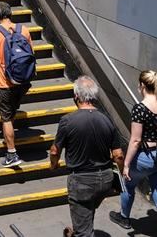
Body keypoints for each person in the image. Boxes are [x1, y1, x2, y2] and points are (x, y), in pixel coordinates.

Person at [50, 76, 124, 237]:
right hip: (105, 180)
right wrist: (122, 172)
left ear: (76, 96)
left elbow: (55, 151)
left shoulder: (67, 121)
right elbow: (118, 154)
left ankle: (80, 231)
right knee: (87, 211)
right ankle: (79, 229)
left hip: (82, 182)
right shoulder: (107, 119)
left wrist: (53, 164)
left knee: (84, 230)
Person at [110, 70, 157, 237]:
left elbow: (135, 141)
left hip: (145, 157)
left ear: (142, 86)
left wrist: (125, 165)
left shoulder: (140, 108)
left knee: (128, 185)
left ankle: (124, 218)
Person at [0, 2, 34, 167]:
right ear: (10, 14)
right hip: (23, 80)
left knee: (6, 118)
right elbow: (31, 53)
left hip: (4, 82)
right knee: (11, 112)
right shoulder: (24, 30)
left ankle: (12, 153)